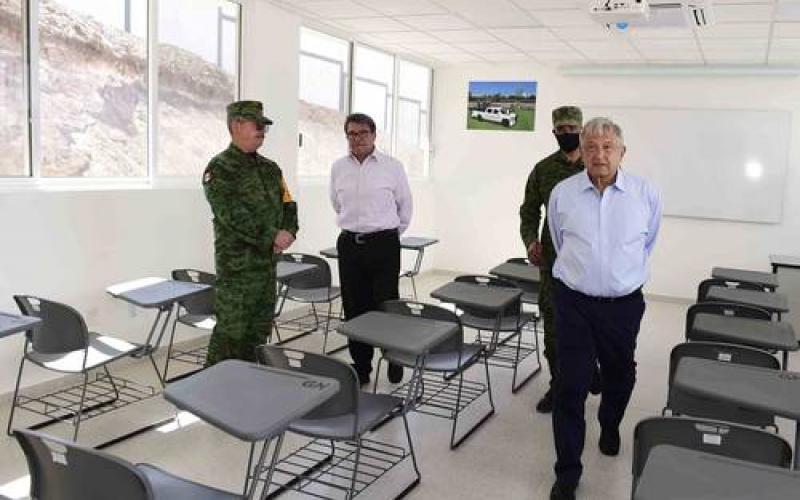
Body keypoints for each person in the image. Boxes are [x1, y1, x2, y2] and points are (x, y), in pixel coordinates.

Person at [547, 117, 662, 500]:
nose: (599, 154)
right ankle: (567, 472)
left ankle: (609, 422)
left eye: (608, 147)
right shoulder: (563, 193)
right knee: (570, 386)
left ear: (622, 152)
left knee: (621, 375)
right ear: (582, 151)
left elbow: (647, 245)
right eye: (592, 147)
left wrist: (616, 277)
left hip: (623, 306)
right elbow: (559, 242)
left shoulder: (646, 194)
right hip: (574, 303)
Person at [202, 100, 298, 365]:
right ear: (236, 125)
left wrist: (289, 231)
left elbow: (288, 203)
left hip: (266, 268)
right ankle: (213, 393)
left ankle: (249, 389)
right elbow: (232, 216)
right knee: (231, 335)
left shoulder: (270, 168)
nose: (262, 131)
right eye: (257, 125)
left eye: (264, 126)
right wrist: (272, 237)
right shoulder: (219, 169)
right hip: (238, 272)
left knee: (258, 332)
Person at [519, 106, 600, 414]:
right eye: (560, 130)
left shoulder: (597, 167)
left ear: (582, 131)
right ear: (554, 132)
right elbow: (528, 211)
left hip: (591, 264)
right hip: (553, 264)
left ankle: (590, 367)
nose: (566, 135)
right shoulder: (543, 169)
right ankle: (559, 386)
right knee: (553, 327)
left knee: (590, 324)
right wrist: (530, 241)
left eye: (572, 129)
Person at [330, 113, 413, 386]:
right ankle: (362, 366)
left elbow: (405, 206)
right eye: (351, 134)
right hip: (350, 245)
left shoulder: (392, 167)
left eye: (362, 133)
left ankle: (393, 358)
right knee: (355, 307)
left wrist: (387, 234)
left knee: (386, 304)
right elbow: (337, 204)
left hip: (384, 244)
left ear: (374, 135)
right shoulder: (338, 168)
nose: (357, 139)